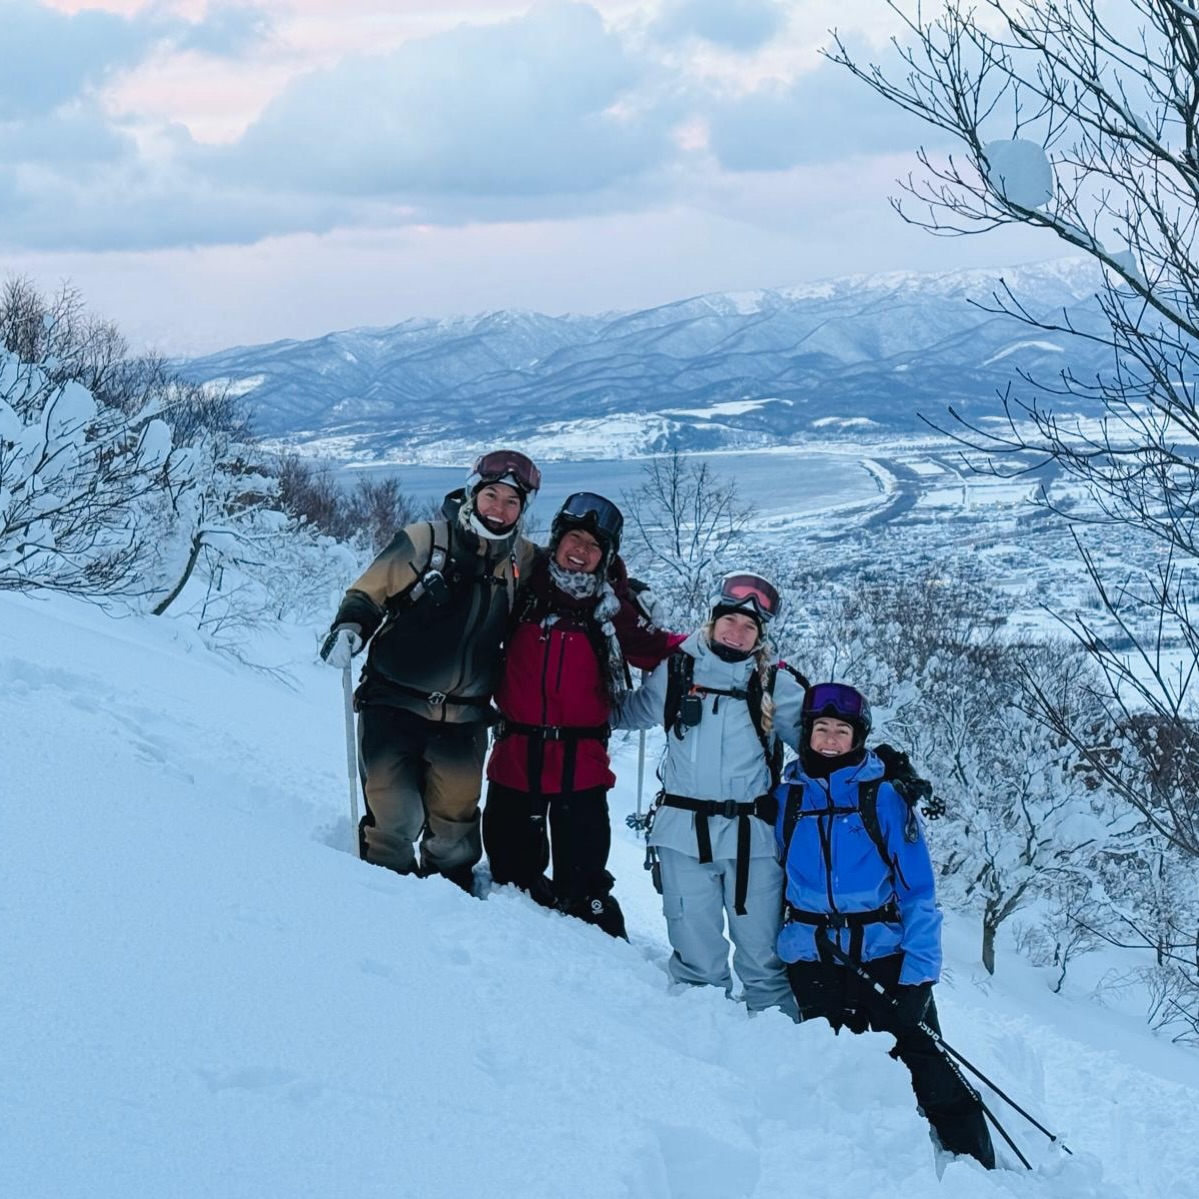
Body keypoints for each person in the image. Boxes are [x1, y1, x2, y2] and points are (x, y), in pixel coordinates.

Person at [774, 681, 996, 1169]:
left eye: (842, 730)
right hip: (813, 956)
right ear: (806, 733)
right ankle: (860, 1169)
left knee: (927, 1062)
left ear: (858, 737)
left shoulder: (885, 798)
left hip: (883, 953)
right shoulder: (787, 798)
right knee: (838, 1067)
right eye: (821, 728)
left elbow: (919, 893)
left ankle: (979, 1169)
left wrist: (919, 975)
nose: (830, 740)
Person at [320, 449, 540, 889]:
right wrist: (350, 627)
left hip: (464, 718)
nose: (499, 509)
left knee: (455, 826)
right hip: (392, 705)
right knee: (393, 818)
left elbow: (577, 577)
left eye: (511, 502)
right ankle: (380, 897)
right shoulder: (426, 541)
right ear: (473, 493)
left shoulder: (522, 561)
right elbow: (369, 591)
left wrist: (625, 591)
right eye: (491, 496)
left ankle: (450, 901)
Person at [483, 492, 681, 937]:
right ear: (556, 540)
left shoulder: (614, 610)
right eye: (574, 538)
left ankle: (602, 958)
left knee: (584, 883)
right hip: (516, 754)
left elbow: (664, 650)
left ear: (605, 557)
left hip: (581, 763)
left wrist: (728, 650)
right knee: (509, 878)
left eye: (593, 546)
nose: (581, 551)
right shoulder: (521, 588)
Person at [616, 572, 805, 1014]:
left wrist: (874, 769)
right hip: (683, 833)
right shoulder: (677, 669)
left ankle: (778, 1032)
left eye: (749, 626)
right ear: (713, 620)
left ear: (760, 636)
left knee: (764, 955)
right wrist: (574, 708)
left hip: (752, 838)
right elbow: (633, 712)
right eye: (730, 621)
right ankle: (699, 1032)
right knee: (694, 953)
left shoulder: (775, 683)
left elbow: (820, 746)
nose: (737, 632)